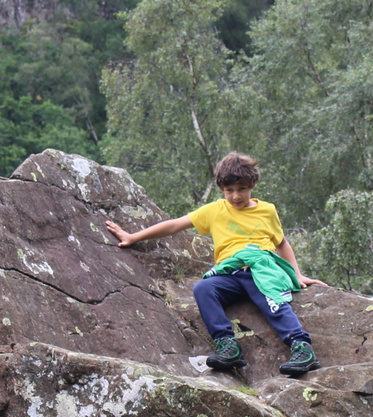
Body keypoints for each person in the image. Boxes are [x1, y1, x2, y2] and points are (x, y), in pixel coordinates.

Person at [104, 151, 325, 376]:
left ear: (252, 185)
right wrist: (133, 236)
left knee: (274, 302)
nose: (236, 196)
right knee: (203, 288)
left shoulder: (267, 211)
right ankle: (228, 346)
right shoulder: (215, 210)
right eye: (229, 190)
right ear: (221, 189)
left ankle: (301, 347)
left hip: (261, 269)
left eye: (242, 189)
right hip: (230, 272)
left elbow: (282, 243)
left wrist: (297, 274)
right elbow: (175, 225)